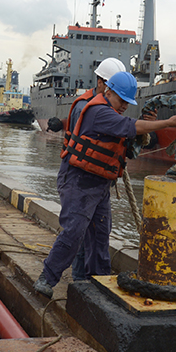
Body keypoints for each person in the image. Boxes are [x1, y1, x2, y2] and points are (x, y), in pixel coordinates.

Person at [34, 71, 176, 298]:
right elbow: (130, 127)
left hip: (99, 184)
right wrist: (168, 123)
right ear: (108, 91)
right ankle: (46, 278)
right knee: (74, 232)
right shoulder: (99, 112)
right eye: (122, 100)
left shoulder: (109, 111)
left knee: (100, 235)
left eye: (128, 102)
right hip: (79, 182)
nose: (125, 105)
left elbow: (127, 133)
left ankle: (99, 282)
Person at [62, 57, 126, 281]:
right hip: (79, 176)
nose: (111, 90)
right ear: (100, 82)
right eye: (109, 85)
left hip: (96, 178)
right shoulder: (86, 107)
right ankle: (81, 282)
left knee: (98, 232)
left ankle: (93, 280)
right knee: (79, 231)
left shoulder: (108, 108)